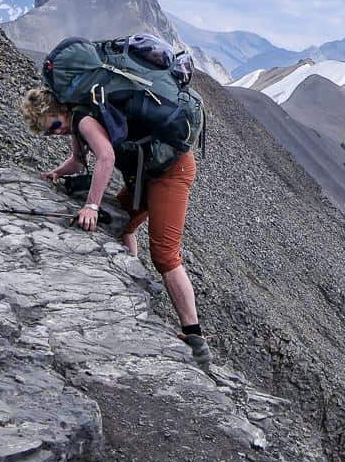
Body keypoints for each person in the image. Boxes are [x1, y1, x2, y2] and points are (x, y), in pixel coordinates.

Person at [20, 87, 211, 367]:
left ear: (60, 111)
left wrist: (92, 205)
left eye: (55, 125)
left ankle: (195, 338)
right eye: (50, 132)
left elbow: (106, 157)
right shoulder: (78, 120)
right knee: (124, 225)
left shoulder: (84, 119)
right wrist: (57, 173)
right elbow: (78, 161)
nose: (57, 132)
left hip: (170, 170)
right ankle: (131, 286)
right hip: (145, 171)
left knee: (165, 255)